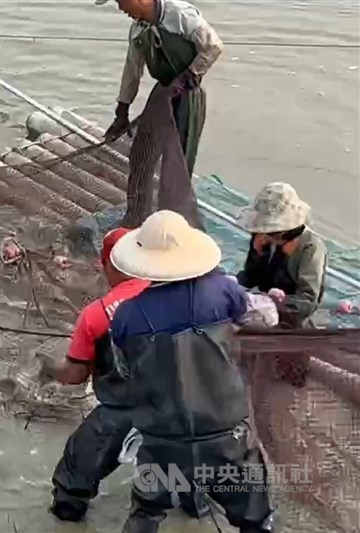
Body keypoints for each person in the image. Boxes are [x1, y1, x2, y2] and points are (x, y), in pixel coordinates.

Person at [106, 210, 277, 533]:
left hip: (162, 439)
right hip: (227, 437)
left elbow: (125, 370)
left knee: (146, 512)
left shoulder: (127, 315)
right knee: (256, 518)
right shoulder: (223, 291)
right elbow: (267, 318)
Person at [40, 228, 209, 523]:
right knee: (189, 485)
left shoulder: (96, 314)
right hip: (183, 408)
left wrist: (48, 366)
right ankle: (196, 505)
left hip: (122, 411)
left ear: (107, 263)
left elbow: (75, 374)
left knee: (74, 479)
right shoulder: (181, 294)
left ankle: (68, 513)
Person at [96, 0, 223, 177]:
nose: (121, 8)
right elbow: (132, 70)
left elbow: (213, 47)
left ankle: (174, 202)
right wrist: (122, 110)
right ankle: (141, 201)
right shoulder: (138, 29)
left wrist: (188, 76)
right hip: (162, 91)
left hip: (187, 95)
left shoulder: (181, 16)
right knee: (143, 152)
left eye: (122, 2)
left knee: (177, 158)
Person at [234, 182, 328, 328]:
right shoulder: (261, 237)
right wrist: (231, 286)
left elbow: (308, 301)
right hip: (260, 310)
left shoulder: (310, 247)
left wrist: (272, 304)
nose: (266, 235)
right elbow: (250, 275)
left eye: (273, 232)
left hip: (291, 320)